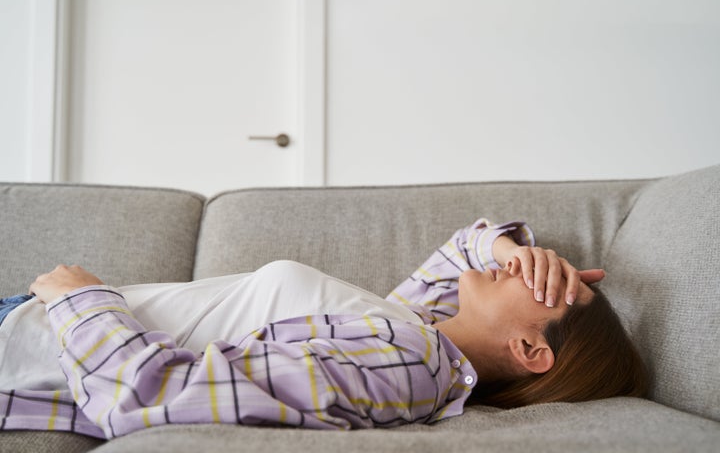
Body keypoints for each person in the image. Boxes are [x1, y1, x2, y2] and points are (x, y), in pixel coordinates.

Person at [0, 219, 647, 439]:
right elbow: (464, 248)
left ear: (531, 349)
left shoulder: (410, 364)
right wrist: (513, 253)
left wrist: (81, 298)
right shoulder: (414, 327)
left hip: (26, 345)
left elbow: (148, 398)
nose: (532, 275)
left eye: (549, 295)